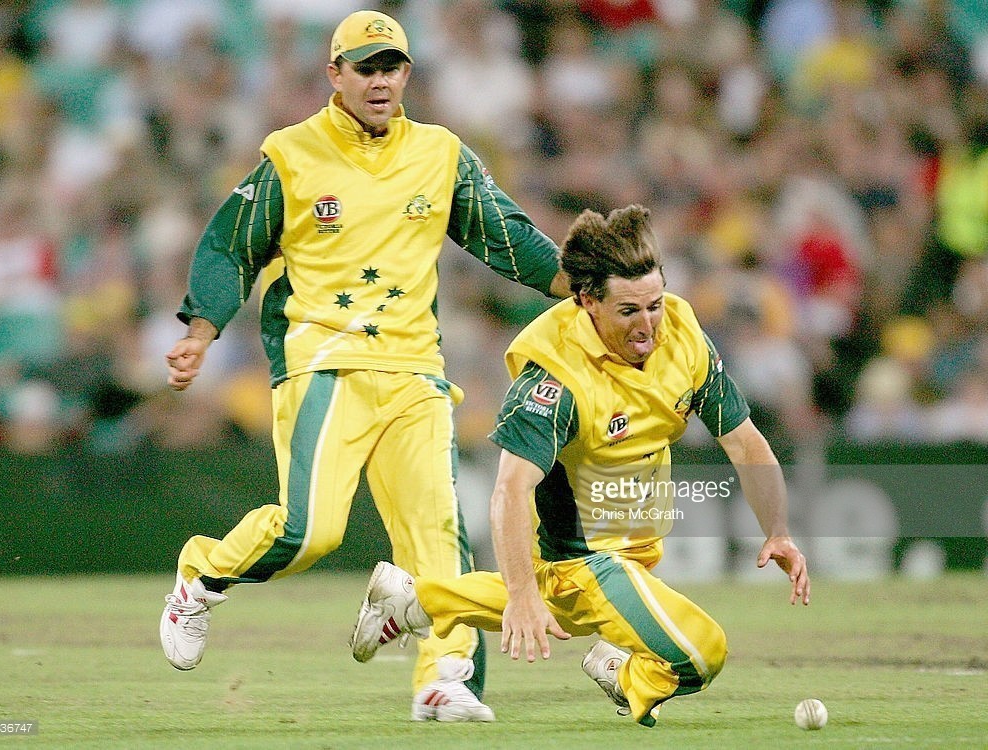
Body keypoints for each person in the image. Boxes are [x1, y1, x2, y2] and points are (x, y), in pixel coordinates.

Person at [159, 10, 567, 723]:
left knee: (438, 541)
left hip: (414, 370)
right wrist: (201, 329)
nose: (380, 82)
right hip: (323, 362)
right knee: (308, 532)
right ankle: (201, 574)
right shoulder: (290, 154)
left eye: (392, 67)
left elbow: (510, 239)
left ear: (407, 73)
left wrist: (590, 288)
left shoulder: (441, 154)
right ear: (335, 75)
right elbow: (230, 246)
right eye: (366, 68)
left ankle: (443, 680)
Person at [350, 205, 810, 726]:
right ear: (588, 301)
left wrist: (777, 530)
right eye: (629, 312)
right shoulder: (553, 379)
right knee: (701, 652)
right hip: (582, 557)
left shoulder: (682, 334)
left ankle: (409, 601)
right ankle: (622, 674)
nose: (648, 327)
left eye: (654, 305)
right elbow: (509, 490)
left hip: (635, 543)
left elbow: (746, 444)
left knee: (567, 610)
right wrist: (521, 594)